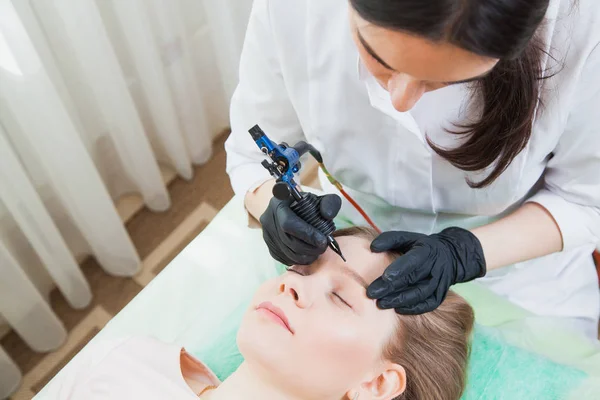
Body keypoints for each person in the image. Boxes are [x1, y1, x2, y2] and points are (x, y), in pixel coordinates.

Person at [225, 0, 600, 339]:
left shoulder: (583, 26)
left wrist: (465, 253)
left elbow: (586, 200)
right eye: (378, 58)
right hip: (346, 240)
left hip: (522, 274)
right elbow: (251, 154)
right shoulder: (295, 10)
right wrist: (268, 207)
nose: (400, 100)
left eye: (446, 82)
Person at [46, 227, 474, 400]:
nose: (293, 284)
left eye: (342, 298)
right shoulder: (125, 359)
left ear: (377, 383)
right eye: (301, 267)